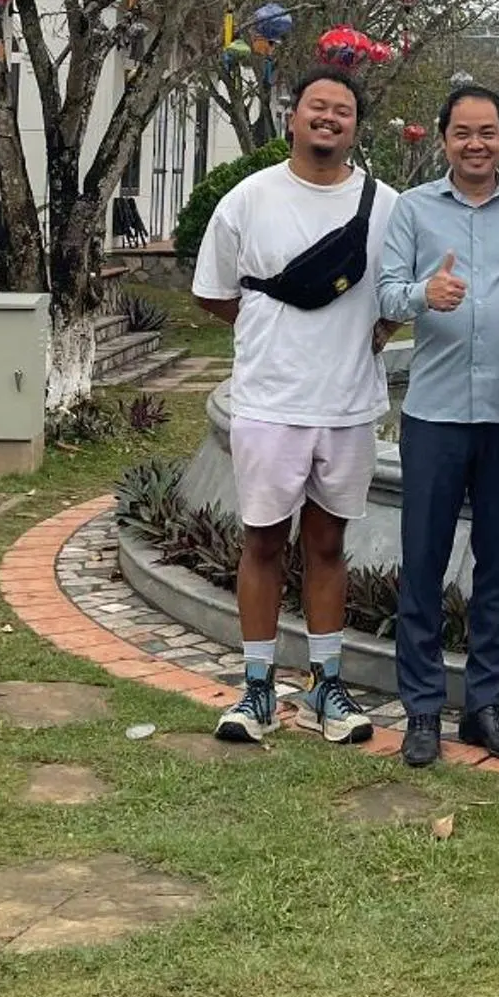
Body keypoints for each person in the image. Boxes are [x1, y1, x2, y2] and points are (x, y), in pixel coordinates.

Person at [193, 67, 399, 745]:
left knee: (328, 544)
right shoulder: (249, 199)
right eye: (318, 106)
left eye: (343, 110)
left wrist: (378, 329)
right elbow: (214, 291)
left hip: (347, 404)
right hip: (269, 402)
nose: (329, 117)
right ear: (292, 116)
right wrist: (272, 335)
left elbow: (402, 289)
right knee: (261, 540)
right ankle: (255, 688)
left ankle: (326, 684)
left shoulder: (386, 205)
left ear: (356, 127)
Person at [378, 82, 499, 769]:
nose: (475, 144)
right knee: (422, 565)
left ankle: (485, 708)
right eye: (462, 133)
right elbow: (386, 293)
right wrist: (425, 294)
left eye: (487, 132)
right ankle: (422, 711)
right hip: (435, 415)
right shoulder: (414, 209)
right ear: (444, 139)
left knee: (498, 568)